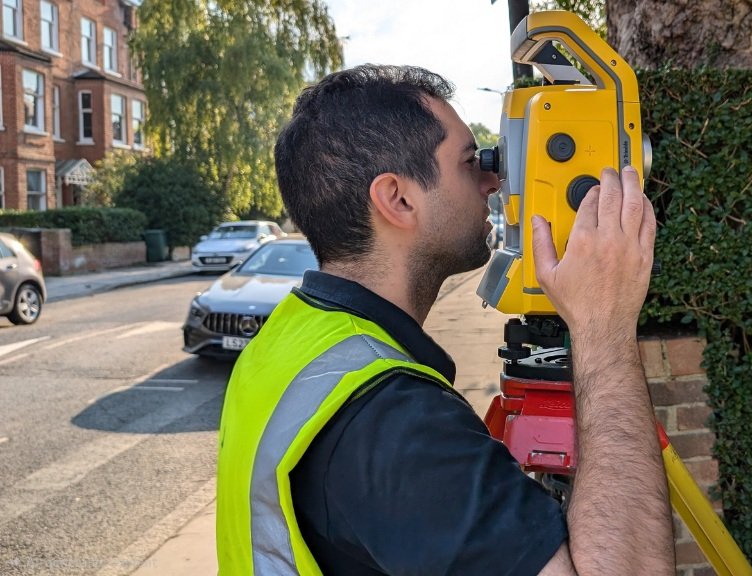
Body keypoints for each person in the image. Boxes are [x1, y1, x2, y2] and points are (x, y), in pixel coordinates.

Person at [216, 64, 673, 576]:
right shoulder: (398, 423)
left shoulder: (290, 340)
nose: (493, 181)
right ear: (398, 199)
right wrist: (603, 328)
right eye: (468, 163)